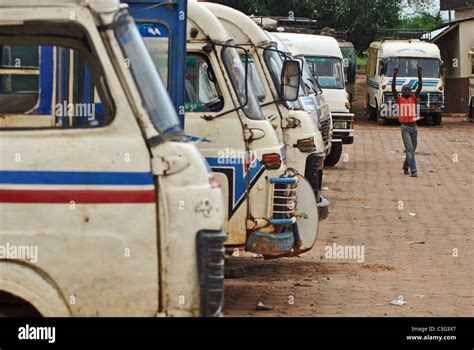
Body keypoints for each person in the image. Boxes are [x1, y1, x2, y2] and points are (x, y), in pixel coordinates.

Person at [392, 64, 422, 177]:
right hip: (405, 128)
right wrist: (395, 75)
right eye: (405, 89)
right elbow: (393, 88)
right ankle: (413, 170)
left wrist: (419, 74)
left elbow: (419, 87)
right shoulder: (399, 99)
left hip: (414, 127)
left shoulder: (413, 98)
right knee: (409, 149)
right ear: (402, 91)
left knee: (412, 149)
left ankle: (405, 166)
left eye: (409, 89)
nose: (407, 91)